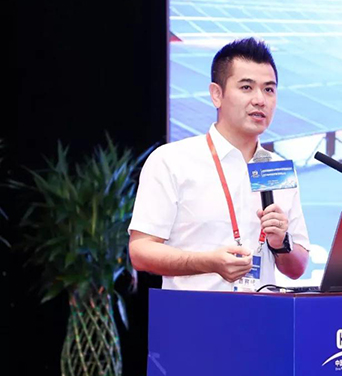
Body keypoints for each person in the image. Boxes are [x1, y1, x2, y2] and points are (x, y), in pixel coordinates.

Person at [128, 37, 310, 291]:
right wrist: (209, 262)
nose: (260, 100)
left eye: (269, 89)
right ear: (217, 94)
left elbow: (297, 268)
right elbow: (140, 251)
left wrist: (281, 243)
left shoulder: (276, 169)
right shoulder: (172, 160)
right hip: (195, 312)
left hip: (263, 313)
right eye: (246, 87)